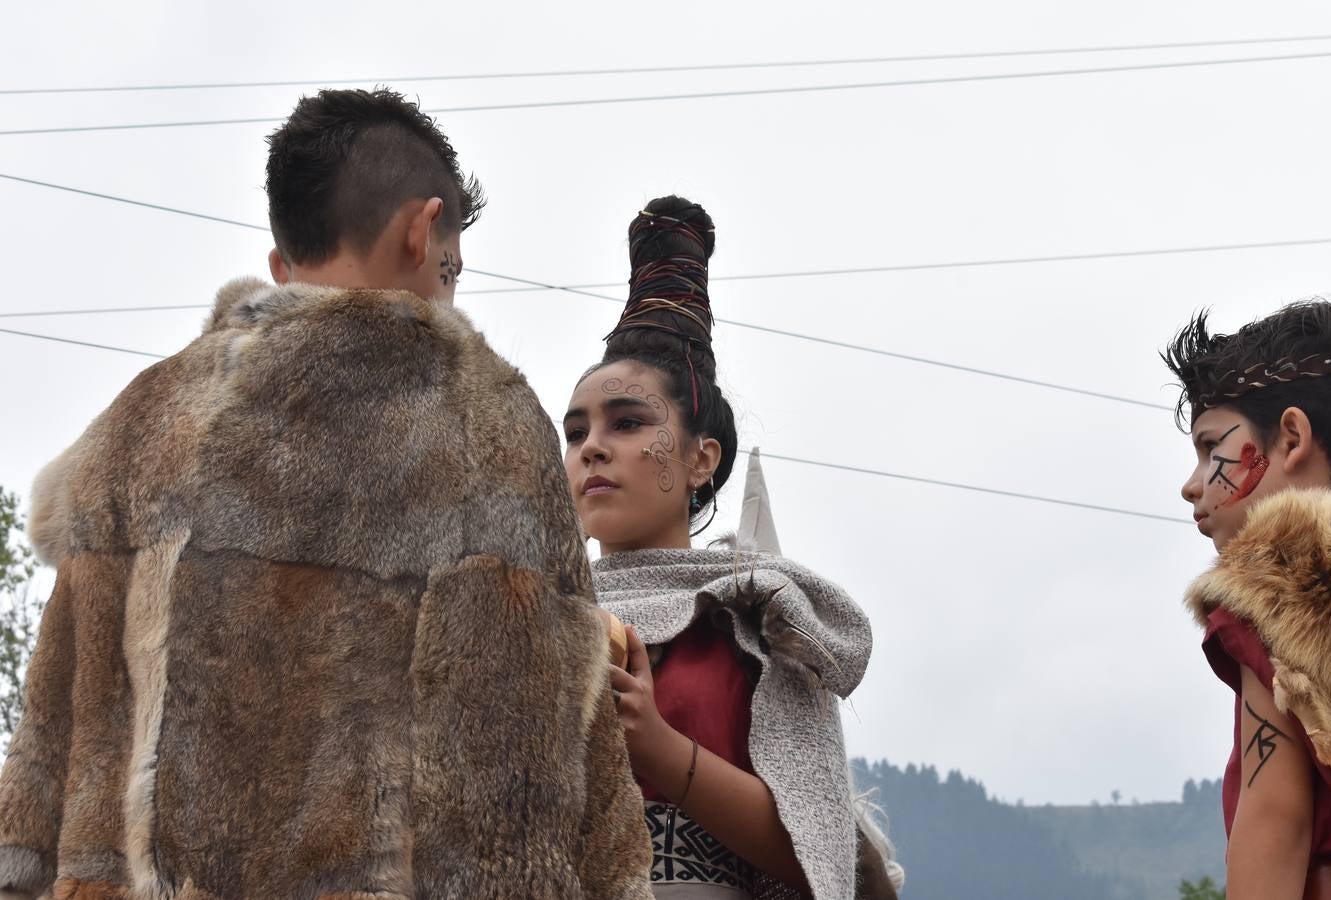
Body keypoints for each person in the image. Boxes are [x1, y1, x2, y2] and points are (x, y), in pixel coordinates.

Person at [0, 88, 652, 899]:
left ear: (282, 268)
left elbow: (38, 780)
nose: (449, 292)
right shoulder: (478, 421)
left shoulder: (134, 427)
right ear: (423, 229)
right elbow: (521, 797)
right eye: (451, 267)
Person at [562, 196, 903, 900]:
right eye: (575, 432)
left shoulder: (760, 617)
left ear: (700, 458)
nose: (592, 446)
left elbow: (823, 856)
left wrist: (658, 746)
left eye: (627, 422)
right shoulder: (526, 620)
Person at [1168, 301, 1331, 900]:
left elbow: (1277, 817)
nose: (1191, 484)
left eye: (1209, 445)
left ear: (1292, 437)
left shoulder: (1280, 591)